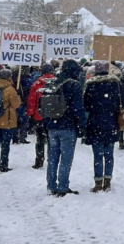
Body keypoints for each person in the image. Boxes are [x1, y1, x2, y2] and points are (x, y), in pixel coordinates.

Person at [44, 59, 86, 197]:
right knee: (66, 158)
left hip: (52, 125)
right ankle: (62, 187)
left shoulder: (53, 83)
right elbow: (78, 108)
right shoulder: (74, 85)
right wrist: (82, 125)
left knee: (53, 157)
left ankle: (51, 185)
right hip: (67, 125)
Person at [84, 61, 122, 193]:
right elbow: (120, 103)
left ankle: (98, 182)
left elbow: (86, 106)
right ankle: (108, 181)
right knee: (109, 155)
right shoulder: (115, 84)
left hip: (95, 123)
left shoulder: (90, 86)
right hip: (111, 122)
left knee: (98, 155)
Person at [0, 69, 22, 172]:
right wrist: (18, 97)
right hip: (7, 120)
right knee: (5, 144)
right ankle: (4, 165)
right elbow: (16, 104)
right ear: (8, 77)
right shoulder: (10, 89)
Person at [26, 63, 55, 168]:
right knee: (52, 139)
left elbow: (32, 101)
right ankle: (52, 159)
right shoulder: (57, 82)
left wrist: (30, 114)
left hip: (39, 116)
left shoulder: (37, 83)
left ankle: (39, 160)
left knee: (40, 140)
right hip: (53, 116)